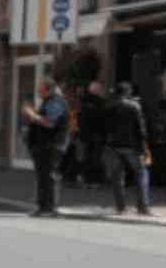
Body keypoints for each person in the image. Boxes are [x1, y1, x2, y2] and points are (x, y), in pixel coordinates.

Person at [21, 78, 70, 218]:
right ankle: (43, 207)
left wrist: (31, 114)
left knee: (48, 176)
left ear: (48, 88)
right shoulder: (49, 100)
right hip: (44, 145)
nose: (38, 91)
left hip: (52, 145)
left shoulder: (56, 101)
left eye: (40, 88)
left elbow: (49, 123)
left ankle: (50, 208)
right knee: (42, 176)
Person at [104, 81, 153, 216]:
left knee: (117, 177)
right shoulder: (134, 107)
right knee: (141, 173)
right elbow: (141, 129)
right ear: (128, 92)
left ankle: (120, 207)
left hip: (113, 146)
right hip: (132, 146)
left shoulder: (109, 107)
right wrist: (143, 148)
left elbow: (104, 127)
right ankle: (143, 207)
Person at [79, 81, 107, 186]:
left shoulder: (84, 102)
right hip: (97, 134)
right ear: (98, 90)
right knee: (96, 157)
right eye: (100, 89)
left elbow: (81, 119)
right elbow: (104, 118)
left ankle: (87, 179)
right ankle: (95, 180)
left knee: (88, 156)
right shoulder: (100, 102)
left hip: (86, 135)